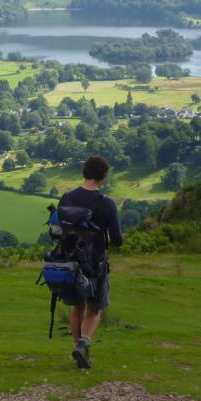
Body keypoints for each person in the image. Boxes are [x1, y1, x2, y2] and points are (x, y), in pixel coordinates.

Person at [57, 155, 122, 369]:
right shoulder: (106, 204)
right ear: (103, 176)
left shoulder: (67, 198)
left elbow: (57, 231)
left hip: (70, 262)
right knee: (95, 308)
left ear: (84, 172)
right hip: (95, 263)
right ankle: (84, 343)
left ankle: (78, 348)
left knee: (77, 306)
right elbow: (117, 240)